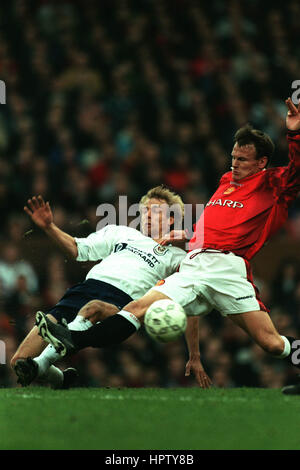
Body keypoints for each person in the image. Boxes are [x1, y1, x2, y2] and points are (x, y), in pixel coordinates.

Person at [37, 97, 300, 391]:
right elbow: (218, 224)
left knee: (272, 344)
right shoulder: (228, 180)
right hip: (196, 263)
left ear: (262, 162)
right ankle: (74, 339)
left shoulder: (274, 184)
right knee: (137, 308)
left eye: (242, 160)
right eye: (233, 157)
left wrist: (295, 133)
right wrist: (188, 235)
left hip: (228, 268)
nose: (234, 164)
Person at [11, 185, 189, 388]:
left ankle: (54, 350)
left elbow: (206, 265)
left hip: (121, 302)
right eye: (145, 211)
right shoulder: (122, 233)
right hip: (83, 291)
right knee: (19, 362)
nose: (148, 215)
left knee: (93, 308)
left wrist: (190, 239)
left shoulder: (177, 257)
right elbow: (78, 249)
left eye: (156, 211)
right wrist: (49, 227)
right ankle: (60, 379)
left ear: (172, 219)